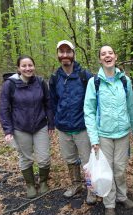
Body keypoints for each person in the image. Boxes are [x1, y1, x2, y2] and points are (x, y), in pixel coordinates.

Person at [84, 45, 133, 215]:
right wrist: (94, 138)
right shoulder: (95, 82)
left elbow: (131, 108)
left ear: (115, 56)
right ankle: (109, 203)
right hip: (103, 135)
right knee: (106, 171)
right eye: (103, 54)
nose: (107, 56)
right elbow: (89, 111)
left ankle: (122, 196)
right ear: (100, 59)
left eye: (110, 53)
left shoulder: (125, 81)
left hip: (123, 134)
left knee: (120, 169)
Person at [0, 55, 54, 199]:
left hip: (40, 125)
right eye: (24, 66)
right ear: (18, 68)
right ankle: (30, 185)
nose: (27, 68)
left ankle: (43, 182)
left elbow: (48, 104)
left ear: (34, 66)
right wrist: (8, 130)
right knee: (25, 157)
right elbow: (4, 108)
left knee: (44, 157)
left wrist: (51, 123)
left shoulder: (41, 82)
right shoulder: (10, 85)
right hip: (20, 127)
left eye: (30, 65)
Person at [48, 40, 96, 204]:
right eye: (61, 52)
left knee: (88, 161)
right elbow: (53, 101)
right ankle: (76, 184)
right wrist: (55, 121)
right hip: (63, 128)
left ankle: (91, 189)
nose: (65, 55)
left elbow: (94, 100)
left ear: (74, 54)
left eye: (68, 51)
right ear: (58, 55)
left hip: (82, 127)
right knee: (70, 159)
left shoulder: (85, 75)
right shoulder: (55, 78)